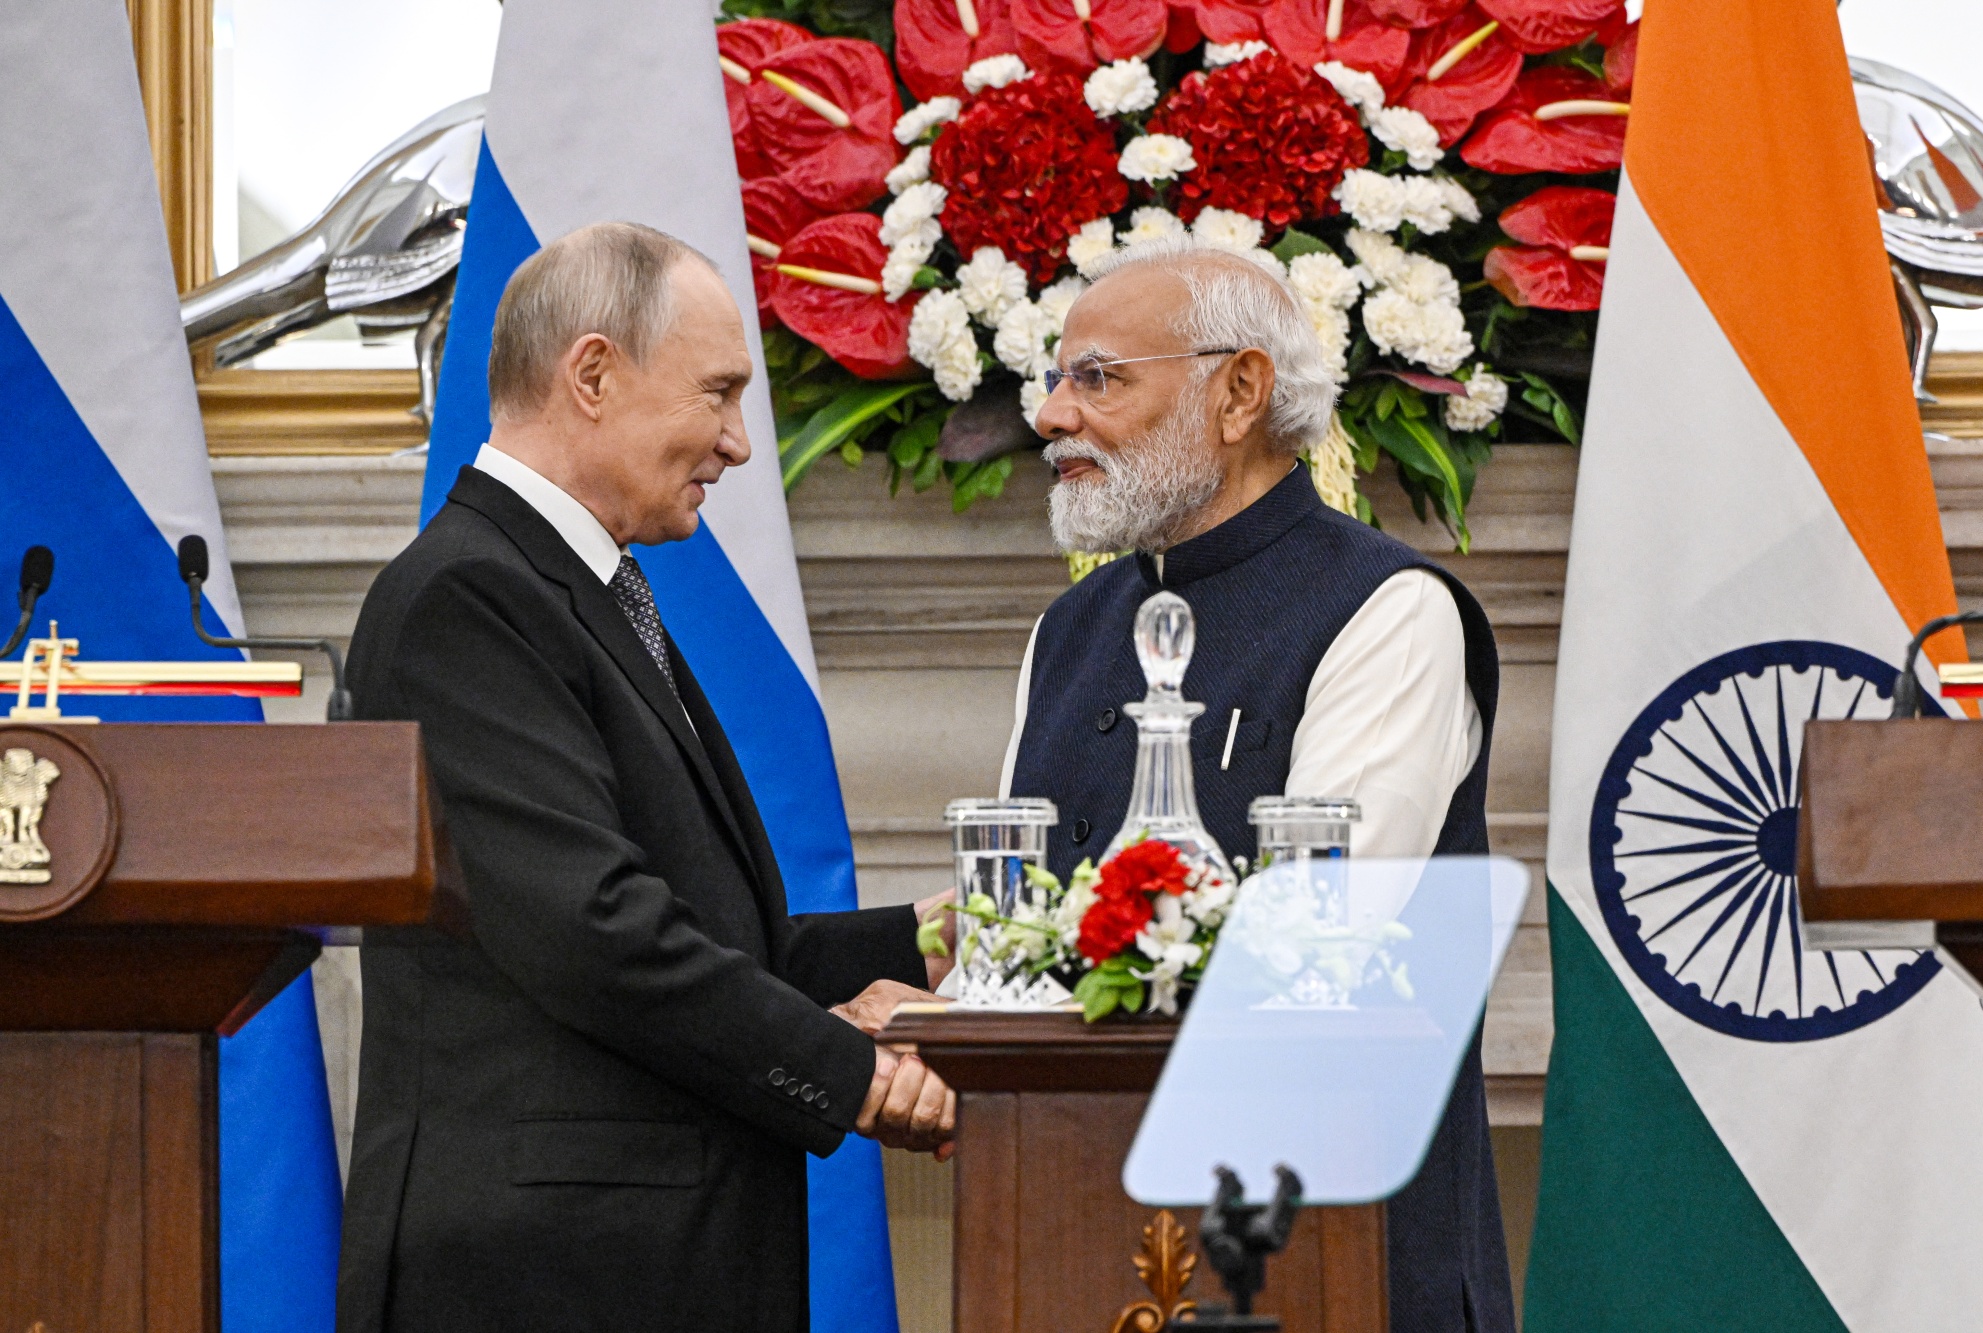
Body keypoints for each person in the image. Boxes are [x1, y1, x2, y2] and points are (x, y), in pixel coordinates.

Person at [337, 221, 956, 1333]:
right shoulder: (465, 600)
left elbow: (702, 930)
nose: (736, 445)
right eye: (716, 394)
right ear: (590, 373)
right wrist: (853, 1072)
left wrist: (927, 940)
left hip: (623, 1263)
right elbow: (593, 931)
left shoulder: (570, 587)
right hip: (541, 1281)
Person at [1000, 234, 1511, 1331]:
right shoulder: (1067, 632)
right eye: (1052, 379)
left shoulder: (1388, 610)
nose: (1050, 416)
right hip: (1077, 1235)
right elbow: (1019, 928)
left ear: (1238, 393)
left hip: (1329, 1255)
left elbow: (1322, 942)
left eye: (1094, 378)